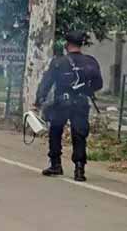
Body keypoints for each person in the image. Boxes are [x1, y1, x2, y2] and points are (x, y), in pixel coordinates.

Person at [35, 30, 102, 182]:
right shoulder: (90, 61)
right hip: (81, 102)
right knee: (79, 134)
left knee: (55, 131)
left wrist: (39, 100)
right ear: (81, 44)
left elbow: (46, 83)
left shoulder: (59, 62)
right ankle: (79, 169)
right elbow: (98, 84)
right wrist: (86, 90)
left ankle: (56, 165)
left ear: (67, 44)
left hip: (61, 103)